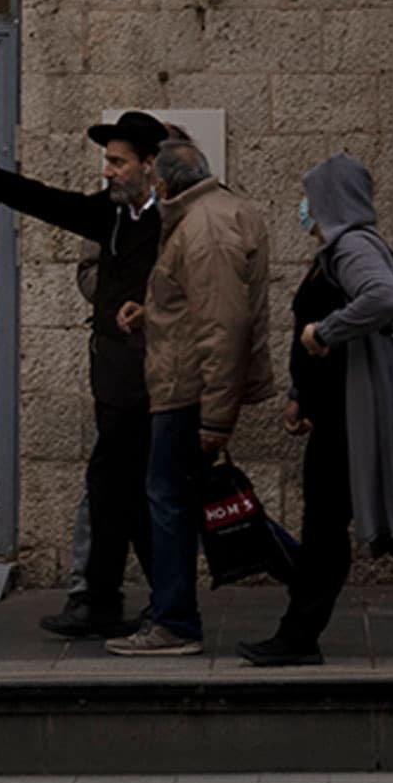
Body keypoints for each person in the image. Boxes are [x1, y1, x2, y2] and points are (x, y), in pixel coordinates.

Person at [0, 113, 173, 641]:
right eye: (108, 161)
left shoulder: (173, 222)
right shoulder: (113, 214)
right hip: (113, 377)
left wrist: (148, 312)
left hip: (151, 379)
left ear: (150, 166)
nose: (109, 172)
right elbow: (49, 202)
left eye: (119, 162)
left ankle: (129, 603)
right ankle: (124, 602)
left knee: (120, 491)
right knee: (120, 493)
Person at [238, 154, 393, 667]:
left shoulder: (352, 245)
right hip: (343, 412)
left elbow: (386, 298)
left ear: (329, 199)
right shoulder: (341, 249)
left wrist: (325, 333)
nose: (304, 207)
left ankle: (299, 636)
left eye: (309, 196)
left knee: (330, 527)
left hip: (357, 417)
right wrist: (302, 393)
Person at [106, 140, 278, 657]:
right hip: (190, 385)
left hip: (186, 392)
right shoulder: (213, 213)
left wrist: (216, 419)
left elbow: (223, 325)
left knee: (169, 503)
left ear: (162, 182)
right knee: (191, 499)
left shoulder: (202, 228)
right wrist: (153, 311)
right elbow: (199, 307)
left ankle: (176, 621)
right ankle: (306, 588)